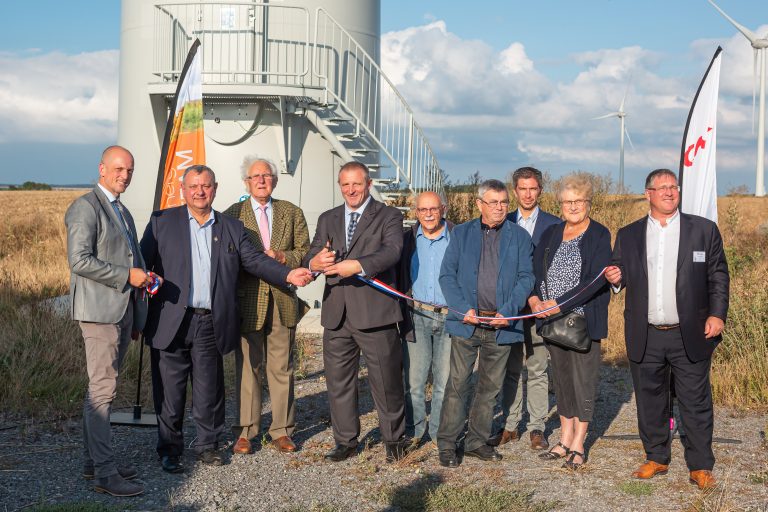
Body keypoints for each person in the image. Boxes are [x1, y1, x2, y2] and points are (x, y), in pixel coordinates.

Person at [140, 165, 312, 473]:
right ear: (183, 189)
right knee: (170, 390)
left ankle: (208, 446)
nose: (199, 191)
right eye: (193, 186)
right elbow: (141, 269)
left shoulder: (231, 227)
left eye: (205, 186)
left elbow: (256, 261)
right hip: (171, 321)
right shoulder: (161, 223)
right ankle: (170, 449)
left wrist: (288, 273)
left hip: (209, 322)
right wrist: (135, 318)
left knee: (209, 389)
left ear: (215, 189)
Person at [605, 169, 729, 490]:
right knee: (650, 399)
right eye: (662, 188)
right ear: (648, 194)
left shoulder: (702, 230)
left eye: (673, 187)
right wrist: (616, 280)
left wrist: (717, 315)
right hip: (645, 331)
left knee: (695, 400)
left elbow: (718, 276)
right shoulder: (629, 234)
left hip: (689, 332)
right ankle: (656, 457)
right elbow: (620, 273)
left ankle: (700, 465)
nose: (669, 193)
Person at [303, 161, 408, 463]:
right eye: (345, 185)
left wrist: (359, 265)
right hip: (337, 313)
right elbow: (312, 253)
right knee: (338, 382)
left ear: (368, 184)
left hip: (375, 313)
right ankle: (345, 440)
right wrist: (315, 262)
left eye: (356, 184)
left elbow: (392, 252)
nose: (350, 190)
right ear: (340, 185)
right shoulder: (328, 218)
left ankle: (393, 440)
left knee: (386, 381)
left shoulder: (389, 215)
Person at [65, 145, 151, 497]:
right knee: (103, 391)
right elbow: (79, 260)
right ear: (102, 169)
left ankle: (93, 461)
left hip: (120, 312)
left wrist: (138, 300)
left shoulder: (121, 208)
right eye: (118, 169)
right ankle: (104, 472)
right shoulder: (85, 207)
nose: (124, 175)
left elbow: (133, 257)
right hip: (99, 313)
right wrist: (126, 277)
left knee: (99, 390)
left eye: (129, 170)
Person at [436, 179, 534, 468]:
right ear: (479, 204)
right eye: (493, 202)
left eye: (504, 202)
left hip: (502, 324)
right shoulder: (462, 233)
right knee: (458, 384)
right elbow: (447, 276)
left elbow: (526, 277)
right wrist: (462, 308)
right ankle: (448, 444)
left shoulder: (519, 237)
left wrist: (508, 310)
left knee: (490, 387)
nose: (500, 208)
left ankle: (476, 441)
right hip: (467, 322)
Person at [223, 157, 310, 455]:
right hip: (248, 300)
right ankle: (246, 431)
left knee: (282, 367)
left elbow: (305, 251)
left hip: (283, 300)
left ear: (275, 180)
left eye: (267, 175)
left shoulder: (291, 212)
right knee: (248, 366)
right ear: (246, 182)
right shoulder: (232, 215)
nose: (261, 180)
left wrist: (284, 258)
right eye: (255, 176)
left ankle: (282, 430)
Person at [531, 173, 611, 471]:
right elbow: (535, 270)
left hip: (582, 322)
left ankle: (579, 442)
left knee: (583, 382)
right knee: (563, 382)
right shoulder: (551, 233)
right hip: (552, 322)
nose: (573, 206)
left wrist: (559, 303)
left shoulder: (599, 235)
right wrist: (534, 300)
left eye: (578, 201)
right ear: (560, 205)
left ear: (588, 203)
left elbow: (596, 280)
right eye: (567, 202)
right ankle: (564, 438)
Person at [493, 167, 560, 450]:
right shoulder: (501, 220)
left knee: (537, 368)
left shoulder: (555, 225)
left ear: (540, 190)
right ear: (515, 191)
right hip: (509, 308)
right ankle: (509, 426)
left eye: (533, 188)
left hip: (539, 308)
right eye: (522, 188)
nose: (528, 193)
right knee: (509, 369)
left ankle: (536, 427)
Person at [396, 191, 454, 447]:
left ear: (443, 209)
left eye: (433, 209)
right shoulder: (406, 239)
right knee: (415, 381)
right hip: (417, 314)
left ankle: (439, 431)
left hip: (450, 316)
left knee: (444, 381)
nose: (428, 214)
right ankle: (414, 431)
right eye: (423, 210)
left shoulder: (457, 237)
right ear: (416, 212)